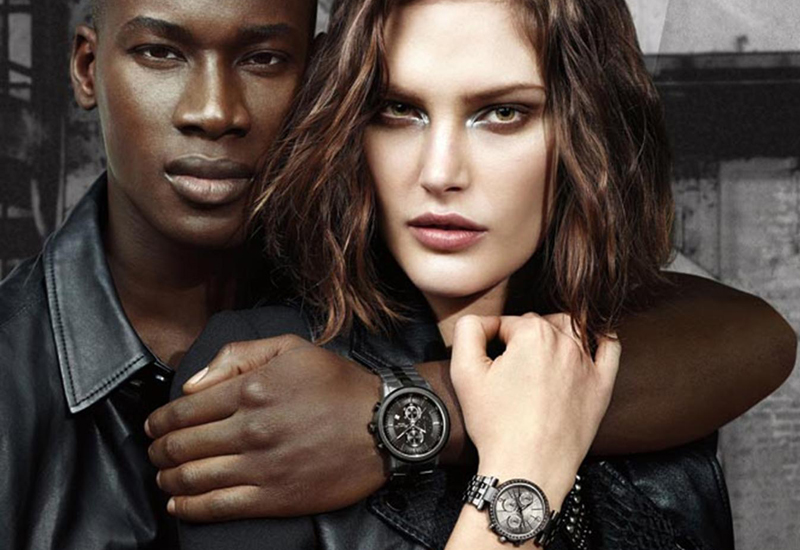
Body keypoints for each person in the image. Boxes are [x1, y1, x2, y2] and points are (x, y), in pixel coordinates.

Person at [0, 0, 794, 549]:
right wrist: (516, 475)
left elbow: (755, 335)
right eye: (401, 109)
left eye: (502, 112)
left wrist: (401, 412)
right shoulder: (247, 374)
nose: (214, 111)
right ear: (86, 66)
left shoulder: (600, 346)